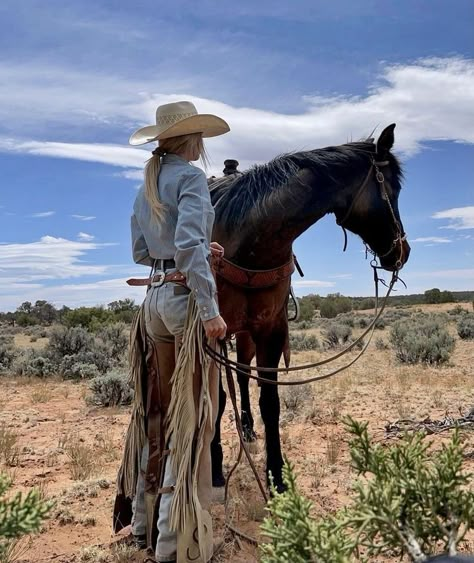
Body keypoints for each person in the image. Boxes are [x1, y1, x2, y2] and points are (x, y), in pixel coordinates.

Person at [123, 101, 229, 563]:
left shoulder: (147, 184)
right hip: (185, 306)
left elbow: (141, 251)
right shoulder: (189, 179)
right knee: (192, 423)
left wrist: (196, 248)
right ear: (194, 140)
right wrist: (210, 311)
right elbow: (188, 248)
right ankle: (174, 546)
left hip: (153, 302)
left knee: (159, 414)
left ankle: (144, 523)